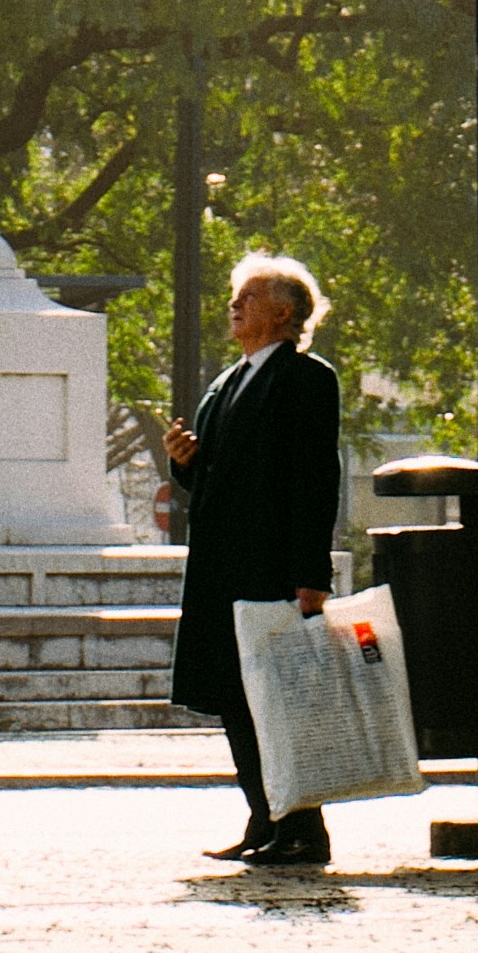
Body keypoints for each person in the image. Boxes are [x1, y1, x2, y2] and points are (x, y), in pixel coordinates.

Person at [167, 250, 344, 869]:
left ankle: (302, 828)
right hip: (222, 566)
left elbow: (317, 479)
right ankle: (264, 816)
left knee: (279, 700)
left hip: (271, 565)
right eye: (236, 296)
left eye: (249, 296)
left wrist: (311, 577)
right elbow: (210, 482)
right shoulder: (227, 382)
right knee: (236, 697)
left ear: (285, 312)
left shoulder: (306, 378)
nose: (235, 305)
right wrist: (183, 462)